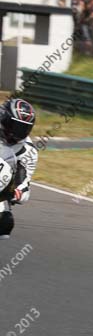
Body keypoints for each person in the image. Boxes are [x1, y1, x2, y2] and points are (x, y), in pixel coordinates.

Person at [0, 99, 38, 239]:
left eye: (22, 128)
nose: (17, 132)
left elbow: (25, 183)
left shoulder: (28, 151)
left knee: (5, 223)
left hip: (1, 187)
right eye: (14, 126)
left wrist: (19, 191)